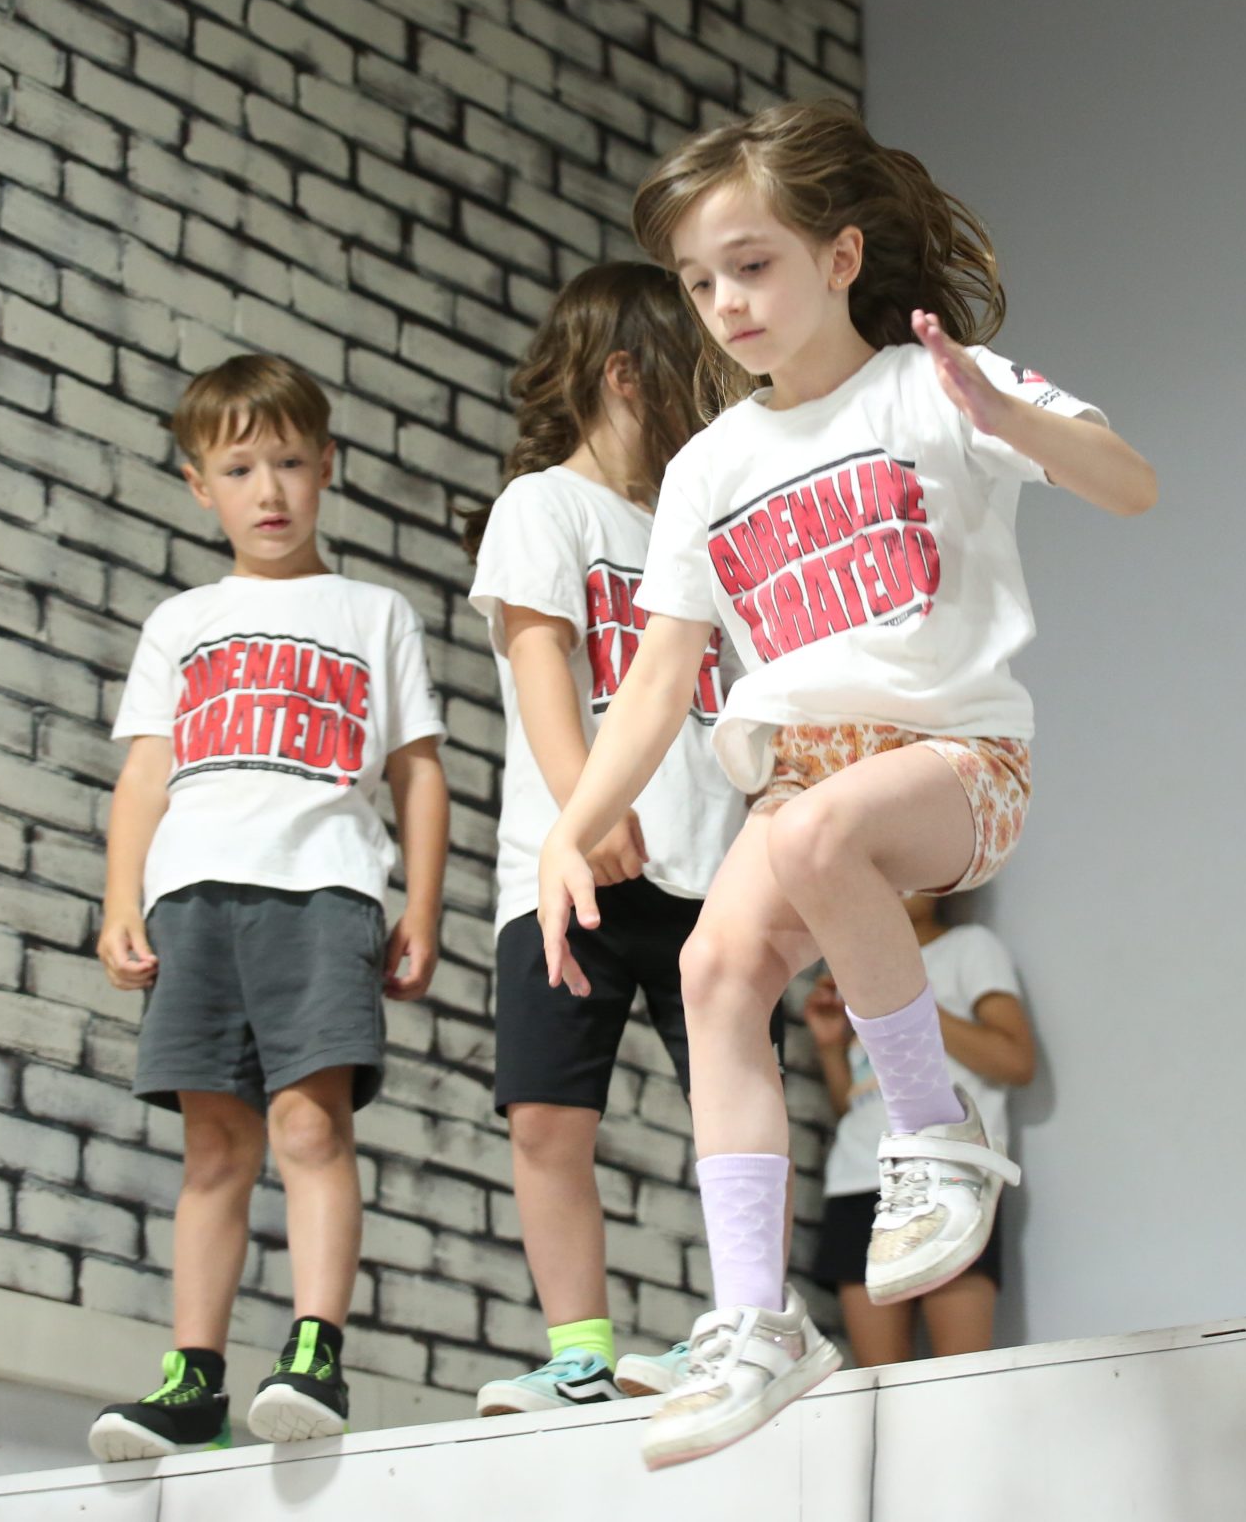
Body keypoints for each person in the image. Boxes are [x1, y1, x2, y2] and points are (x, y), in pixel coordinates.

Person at [534, 99, 1158, 1469]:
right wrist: (569, 829)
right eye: (700, 282)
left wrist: (1005, 414)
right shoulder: (709, 467)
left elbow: (1130, 485)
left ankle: (934, 1134)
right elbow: (659, 677)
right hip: (803, 779)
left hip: (954, 761)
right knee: (714, 971)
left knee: (818, 837)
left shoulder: (931, 387)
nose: (726, 304)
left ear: (840, 255)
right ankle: (759, 1321)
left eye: (752, 264)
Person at [86, 355, 448, 1460]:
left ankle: (314, 1354)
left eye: (289, 462)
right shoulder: (183, 620)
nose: (270, 490)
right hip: (194, 900)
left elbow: (418, 770)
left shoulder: (373, 613)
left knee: (308, 1125)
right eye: (239, 470)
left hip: (324, 893)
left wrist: (423, 905)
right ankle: (191, 1379)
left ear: (327, 465)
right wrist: (120, 898)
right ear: (200, 486)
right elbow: (145, 774)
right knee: (213, 1145)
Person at [460, 263, 774, 1415]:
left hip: (711, 875)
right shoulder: (544, 506)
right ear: (626, 373)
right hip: (572, 873)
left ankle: (748, 1321)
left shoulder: (703, 533)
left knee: (735, 1109)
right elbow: (539, 660)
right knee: (548, 1115)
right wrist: (584, 811)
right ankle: (579, 1353)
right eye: (693, 375)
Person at [805, 892, 1035, 1364]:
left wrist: (909, 997)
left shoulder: (968, 947)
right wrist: (830, 1047)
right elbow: (860, 1102)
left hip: (951, 1173)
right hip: (857, 1180)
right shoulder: (853, 965)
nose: (896, 883)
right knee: (879, 1383)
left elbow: (1016, 1061)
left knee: (960, 1373)